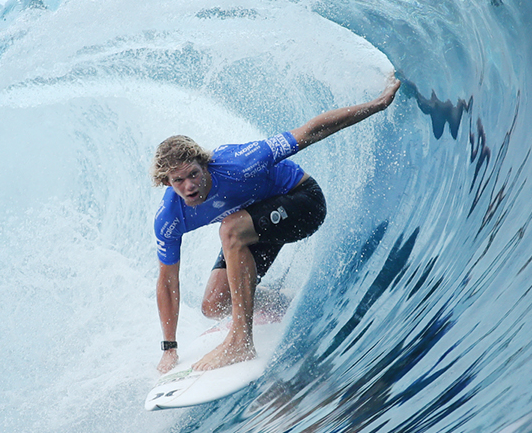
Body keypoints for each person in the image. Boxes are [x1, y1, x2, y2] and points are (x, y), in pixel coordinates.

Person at [152, 76, 400, 375]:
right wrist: (169, 348)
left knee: (229, 229)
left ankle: (240, 342)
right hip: (257, 225)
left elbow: (310, 131)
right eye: (178, 180)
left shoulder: (240, 163)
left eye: (193, 174)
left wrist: (377, 104)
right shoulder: (170, 217)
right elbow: (167, 281)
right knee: (214, 305)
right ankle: (279, 302)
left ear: (204, 165)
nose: (189, 186)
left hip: (302, 203)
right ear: (167, 182)